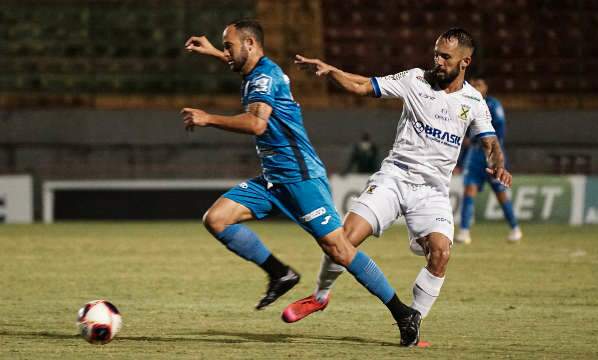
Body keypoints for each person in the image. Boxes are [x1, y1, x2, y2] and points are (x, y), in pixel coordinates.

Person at [181, 19, 421, 346]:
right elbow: (237, 65)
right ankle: (280, 273)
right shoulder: (256, 70)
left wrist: (208, 118)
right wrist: (212, 50)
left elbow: (256, 124)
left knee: (339, 249)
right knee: (217, 218)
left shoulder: (264, 77)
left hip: (300, 178)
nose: (227, 52)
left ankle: (402, 312)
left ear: (250, 44)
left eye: (229, 46)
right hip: (274, 179)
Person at [282, 28, 512, 340]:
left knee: (441, 253)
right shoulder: (415, 79)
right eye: (436, 54)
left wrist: (497, 164)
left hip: (432, 191)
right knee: (343, 239)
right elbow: (365, 85)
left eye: (446, 57)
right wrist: (332, 71)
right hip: (394, 177)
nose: (438, 61)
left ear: (465, 61)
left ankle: (413, 322)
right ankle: (320, 296)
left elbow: (490, 143)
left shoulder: (473, 101)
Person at [454, 75, 522, 244]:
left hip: (490, 153)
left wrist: (495, 156)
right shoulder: (465, 103)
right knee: (469, 190)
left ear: (486, 87)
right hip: (474, 155)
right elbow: (461, 132)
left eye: (480, 84)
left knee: (500, 194)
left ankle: (515, 228)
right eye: (474, 84)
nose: (476, 87)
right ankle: (464, 231)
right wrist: (460, 161)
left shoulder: (493, 105)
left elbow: (498, 133)